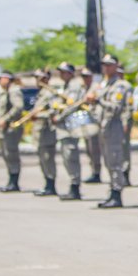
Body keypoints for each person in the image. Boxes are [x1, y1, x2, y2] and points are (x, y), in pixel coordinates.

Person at [87, 54, 129, 208]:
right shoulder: (102, 84)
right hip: (103, 126)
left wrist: (98, 100)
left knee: (115, 161)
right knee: (108, 162)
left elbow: (117, 107)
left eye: (109, 65)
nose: (106, 67)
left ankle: (117, 194)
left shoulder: (121, 85)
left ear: (116, 66)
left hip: (114, 126)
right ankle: (112, 191)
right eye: (104, 64)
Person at [53, 62, 88, 201]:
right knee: (67, 157)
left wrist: (59, 116)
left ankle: (75, 187)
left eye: (64, 72)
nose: (61, 74)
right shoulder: (66, 86)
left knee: (70, 156)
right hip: (65, 128)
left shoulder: (74, 86)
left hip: (70, 127)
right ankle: (73, 185)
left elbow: (72, 106)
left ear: (71, 73)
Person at [0, 71, 24, 193]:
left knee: (11, 155)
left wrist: (5, 119)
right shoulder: (6, 91)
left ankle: (14, 182)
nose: (0, 81)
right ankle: (11, 180)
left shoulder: (13, 90)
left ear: (7, 79)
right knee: (7, 154)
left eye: (1, 78)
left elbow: (18, 106)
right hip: (5, 130)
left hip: (11, 129)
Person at [30, 68, 58, 197]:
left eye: (40, 78)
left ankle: (51, 185)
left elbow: (54, 111)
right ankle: (47, 183)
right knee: (42, 160)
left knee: (47, 159)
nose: (38, 81)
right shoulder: (41, 93)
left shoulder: (49, 93)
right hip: (40, 131)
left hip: (47, 131)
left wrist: (38, 115)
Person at [81, 67, 104, 184]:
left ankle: (97, 172)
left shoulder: (96, 87)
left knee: (94, 149)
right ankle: (93, 170)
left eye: (87, 76)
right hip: (86, 122)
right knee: (88, 149)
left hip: (94, 121)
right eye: (83, 76)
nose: (85, 79)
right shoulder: (83, 88)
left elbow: (100, 100)